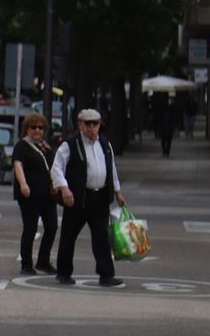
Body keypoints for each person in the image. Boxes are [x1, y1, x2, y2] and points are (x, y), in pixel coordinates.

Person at [49, 108, 127, 288]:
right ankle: (63, 272)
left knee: (101, 237)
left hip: (99, 197)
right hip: (78, 197)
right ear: (80, 124)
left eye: (96, 124)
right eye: (88, 124)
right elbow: (57, 168)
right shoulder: (70, 144)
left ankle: (106, 274)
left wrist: (117, 191)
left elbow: (111, 169)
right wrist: (65, 188)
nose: (92, 128)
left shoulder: (105, 144)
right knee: (69, 235)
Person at [11, 112, 58, 275]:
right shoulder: (22, 146)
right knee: (30, 228)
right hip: (29, 195)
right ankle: (26, 263)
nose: (37, 130)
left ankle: (43, 260)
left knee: (52, 227)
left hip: (47, 194)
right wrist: (23, 184)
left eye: (41, 127)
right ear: (26, 129)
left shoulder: (46, 146)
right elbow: (18, 165)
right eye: (33, 127)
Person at [154, 94, 177, 158]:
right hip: (166, 127)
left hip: (167, 127)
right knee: (166, 141)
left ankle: (165, 152)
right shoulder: (168, 108)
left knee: (165, 141)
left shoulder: (167, 108)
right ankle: (166, 152)